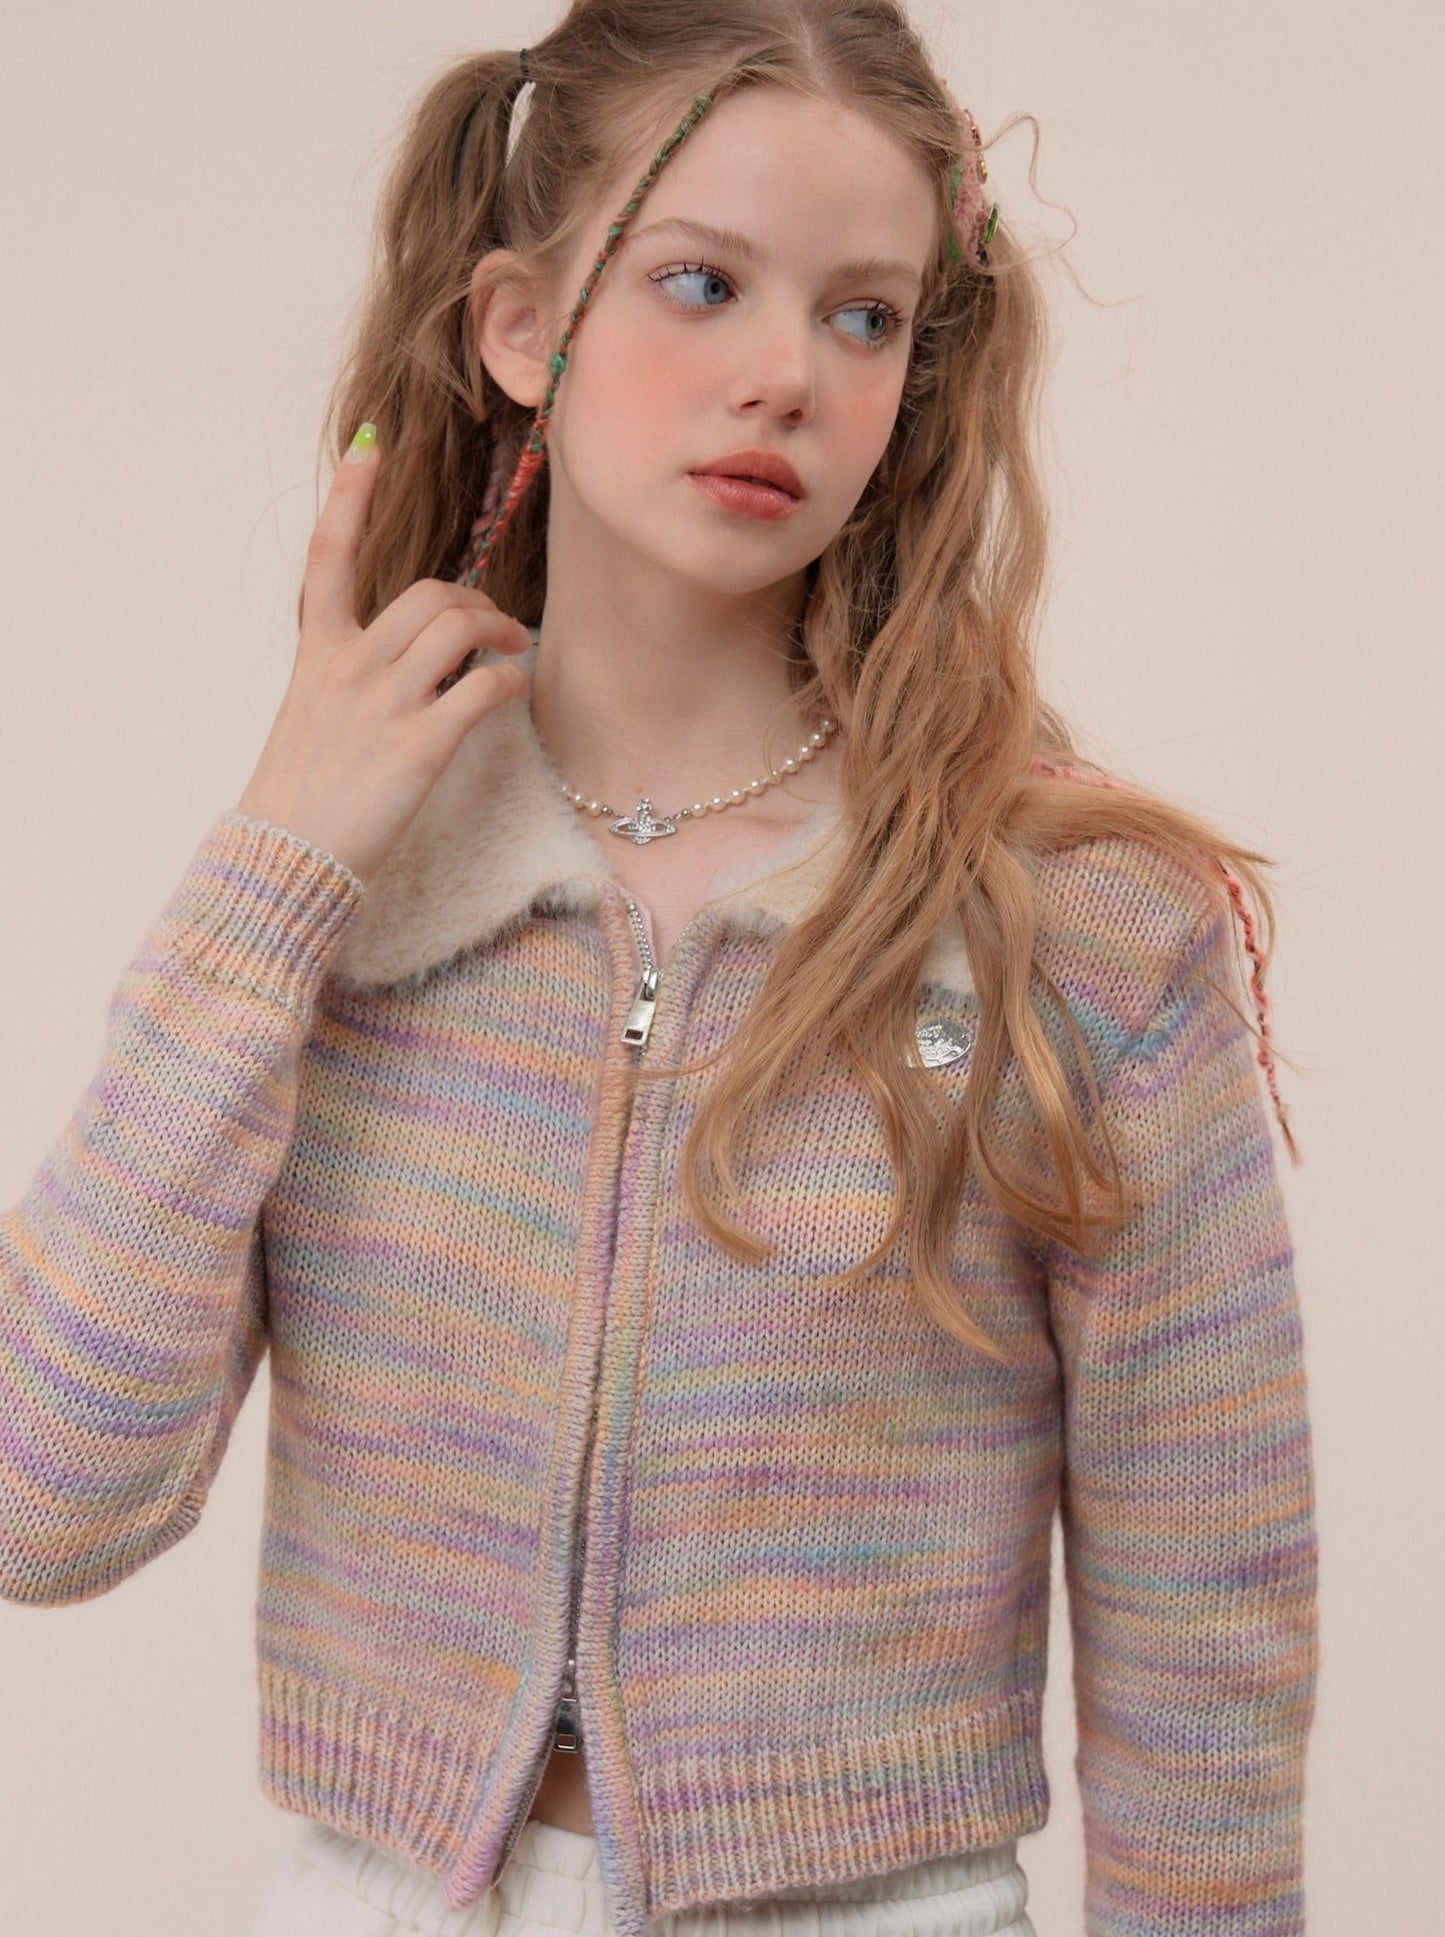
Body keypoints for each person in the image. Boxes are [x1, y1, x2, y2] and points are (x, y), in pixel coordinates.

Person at [0, 2, 1320, 1934]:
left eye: (862, 316)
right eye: (702, 283)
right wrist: (271, 864)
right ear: (520, 326)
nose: (785, 374)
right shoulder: (344, 889)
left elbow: (1208, 1622)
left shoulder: (1073, 922)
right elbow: (42, 1497)